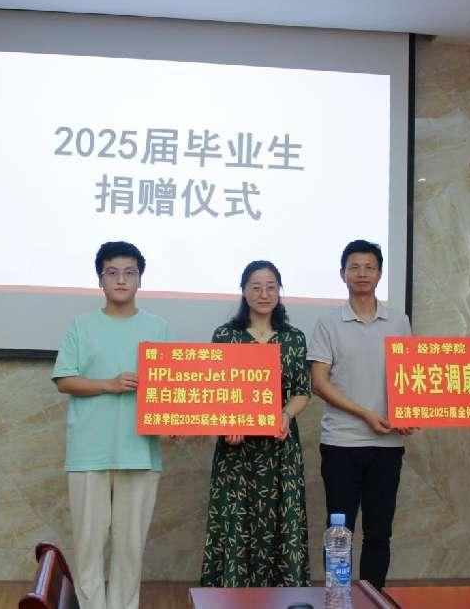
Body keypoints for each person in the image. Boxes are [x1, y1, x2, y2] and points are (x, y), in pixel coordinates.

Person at [51, 241, 171, 609]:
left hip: (140, 451)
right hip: (90, 451)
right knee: (88, 547)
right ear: (100, 280)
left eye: (130, 273)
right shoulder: (80, 326)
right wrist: (110, 384)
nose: (121, 280)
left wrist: (173, 419)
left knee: (130, 549)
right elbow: (64, 380)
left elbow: (169, 388)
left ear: (140, 280)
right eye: (112, 273)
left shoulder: (158, 327)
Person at [307, 239, 413, 590]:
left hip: (388, 445)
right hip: (341, 443)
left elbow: (409, 378)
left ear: (380, 274)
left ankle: (373, 597)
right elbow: (319, 383)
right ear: (342, 274)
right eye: (354, 267)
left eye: (369, 267)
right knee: (339, 530)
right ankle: (337, 597)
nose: (362, 274)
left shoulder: (399, 321)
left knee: (379, 532)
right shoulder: (328, 323)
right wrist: (364, 413)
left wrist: (409, 412)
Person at [200, 260, 311, 587]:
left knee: (282, 520)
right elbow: (215, 390)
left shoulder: (294, 338)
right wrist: (227, 422)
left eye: (271, 287)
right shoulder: (225, 336)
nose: (264, 294)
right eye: (256, 287)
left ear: (279, 291)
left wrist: (286, 414)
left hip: (281, 447)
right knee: (236, 519)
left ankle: (283, 596)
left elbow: (303, 390)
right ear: (244, 291)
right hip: (236, 450)